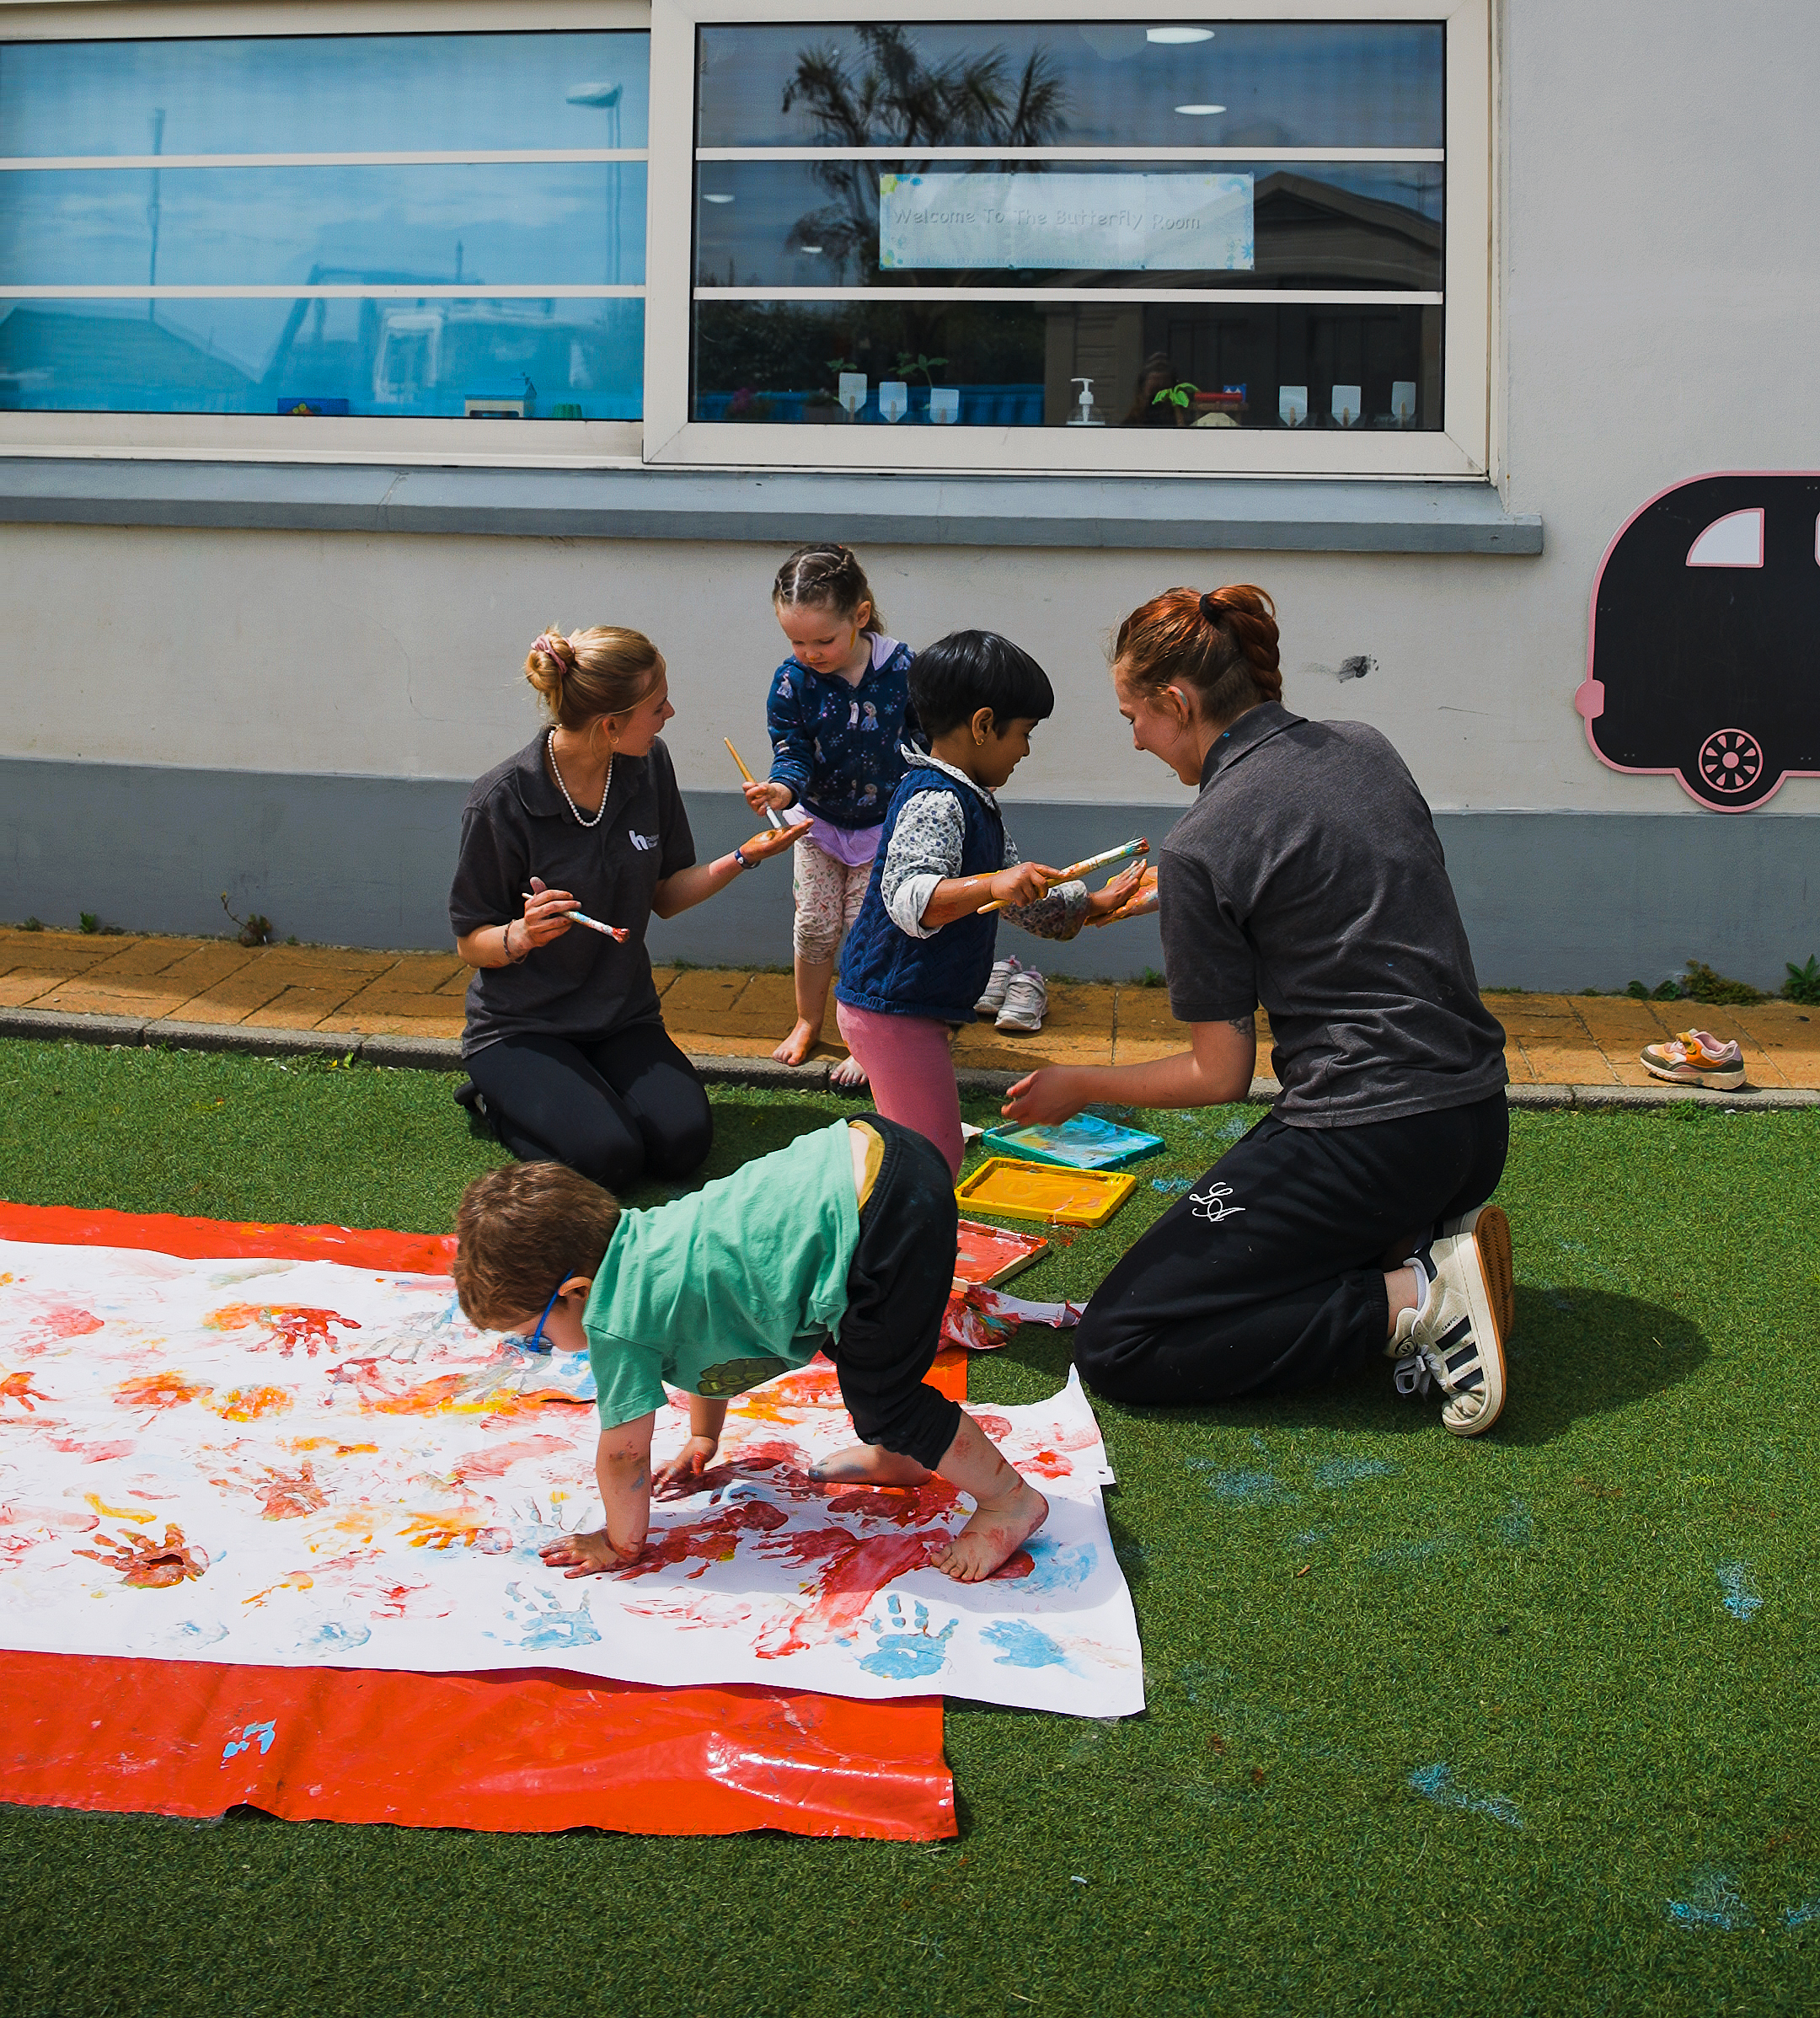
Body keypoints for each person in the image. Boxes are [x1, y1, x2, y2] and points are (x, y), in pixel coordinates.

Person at [1001, 586, 1516, 1436]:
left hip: (1367, 1136)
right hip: (1473, 1124)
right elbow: (1311, 856)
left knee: (1123, 1337)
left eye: (1134, 715)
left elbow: (1220, 1073)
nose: (1133, 737)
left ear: (1179, 701)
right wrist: (1154, 896)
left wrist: (1079, 1083)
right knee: (1254, 1257)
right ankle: (1412, 1249)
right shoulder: (1367, 748)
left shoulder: (1203, 842)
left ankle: (1415, 1297)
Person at [451, 1113, 1048, 1582]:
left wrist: (617, 1542)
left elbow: (624, 1455)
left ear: (576, 1294)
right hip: (879, 1156)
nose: (546, 1350)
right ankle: (905, 1455)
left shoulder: (613, 1321)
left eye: (536, 1336)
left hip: (879, 1215)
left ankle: (1009, 1500)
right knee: (863, 1342)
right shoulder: (642, 1245)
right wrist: (704, 1438)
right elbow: (700, 1349)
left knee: (883, 1393)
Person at [449, 624, 808, 1191]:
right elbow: (472, 940)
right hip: (522, 1028)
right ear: (610, 725)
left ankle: (587, 1090)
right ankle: (499, 1099)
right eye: (657, 703)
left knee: (682, 1143)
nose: (670, 712)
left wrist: (745, 855)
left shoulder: (647, 764)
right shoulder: (502, 801)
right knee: (610, 1159)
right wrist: (520, 934)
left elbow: (664, 894)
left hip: (620, 1016)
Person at [834, 630, 1144, 1177]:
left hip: (905, 1010)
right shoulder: (936, 800)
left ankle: (870, 1217)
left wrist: (1096, 903)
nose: (1026, 749)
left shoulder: (974, 802)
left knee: (916, 1151)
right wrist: (995, 883)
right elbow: (910, 899)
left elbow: (1025, 904)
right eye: (1024, 734)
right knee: (934, 1159)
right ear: (982, 726)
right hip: (891, 1010)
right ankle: (884, 1241)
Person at [740, 544, 923, 1086]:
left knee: (866, 933)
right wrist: (781, 788)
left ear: (860, 616)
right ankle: (806, 1020)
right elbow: (790, 747)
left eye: (823, 640)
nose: (809, 652)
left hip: (886, 825)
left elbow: (924, 740)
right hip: (815, 825)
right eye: (796, 640)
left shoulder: (905, 669)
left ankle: (867, 1041)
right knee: (815, 926)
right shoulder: (791, 680)